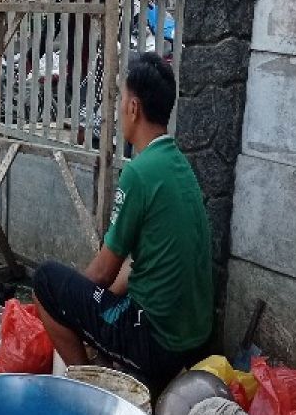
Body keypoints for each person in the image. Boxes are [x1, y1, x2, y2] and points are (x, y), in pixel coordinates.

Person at [33, 52, 213, 392]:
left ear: (133, 108)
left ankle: (85, 388)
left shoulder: (139, 174)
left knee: (46, 281)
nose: (118, 112)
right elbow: (134, 262)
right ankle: (104, 365)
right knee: (95, 296)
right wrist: (94, 303)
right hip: (193, 339)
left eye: (120, 102)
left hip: (156, 344)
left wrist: (73, 305)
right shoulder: (178, 165)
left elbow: (101, 273)